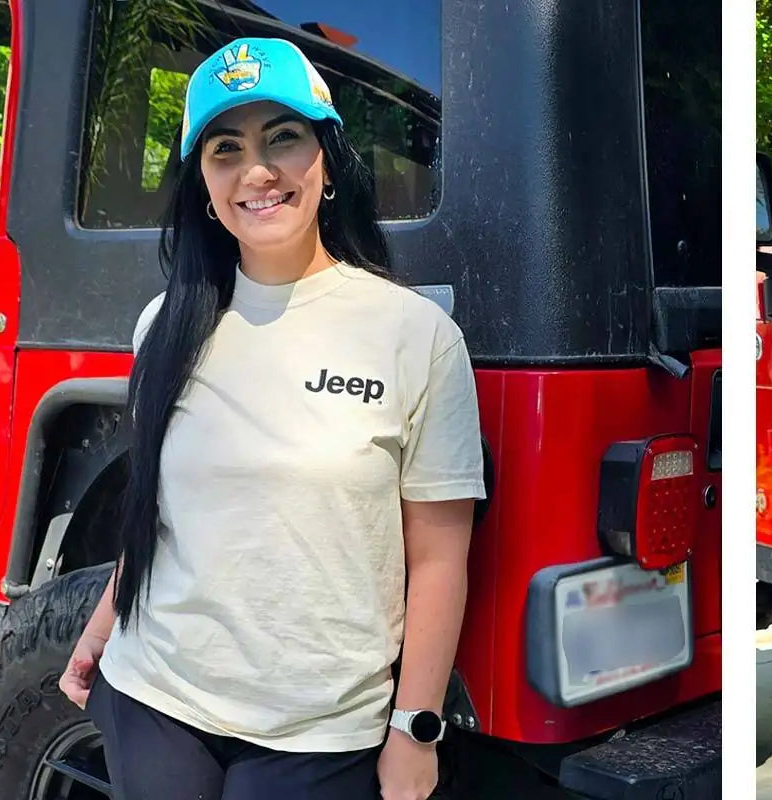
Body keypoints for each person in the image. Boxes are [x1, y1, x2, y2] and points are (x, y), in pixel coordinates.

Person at [54, 37, 486, 800]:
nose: (256, 170)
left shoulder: (415, 335)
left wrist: (415, 729)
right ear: (204, 186)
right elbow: (157, 512)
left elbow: (440, 559)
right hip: (156, 698)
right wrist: (98, 633)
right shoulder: (165, 324)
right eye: (225, 149)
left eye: (282, 137)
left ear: (327, 160)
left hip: (320, 733)